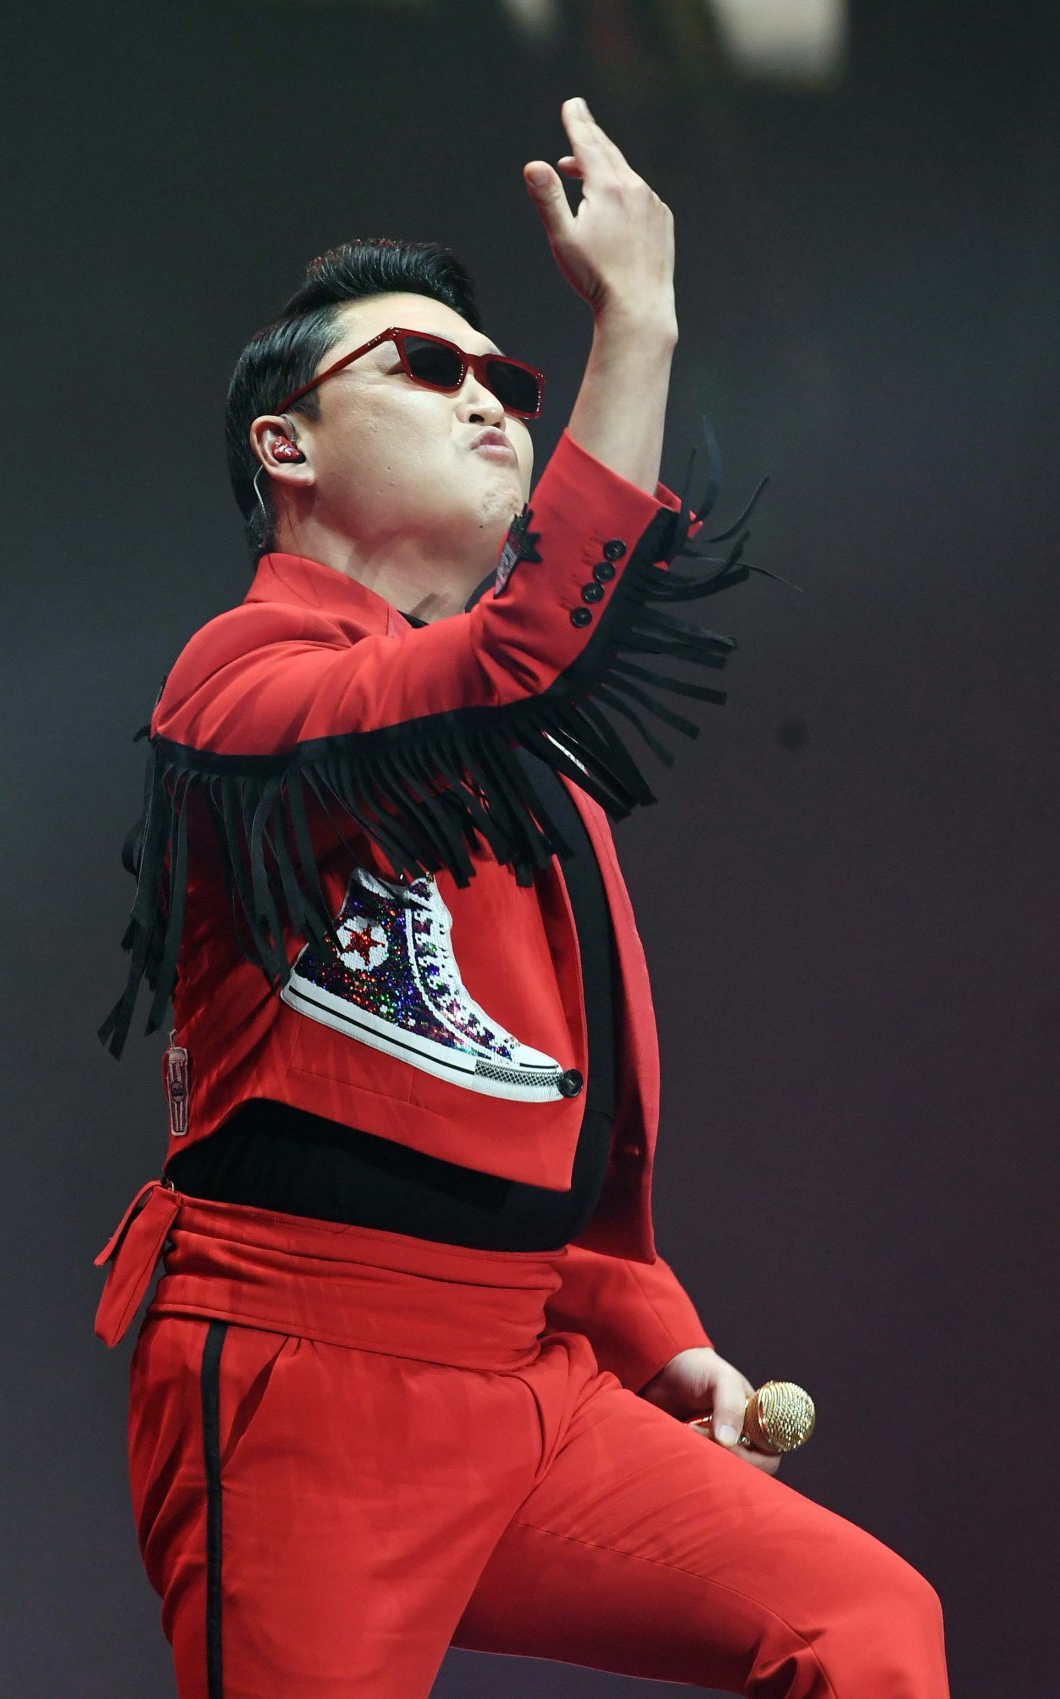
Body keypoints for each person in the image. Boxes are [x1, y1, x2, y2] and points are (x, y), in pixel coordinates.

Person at [93, 97, 950, 1699]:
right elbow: (526, 650)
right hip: (308, 1374)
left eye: (510, 378)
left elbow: (545, 1103)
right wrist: (639, 323)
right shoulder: (240, 674)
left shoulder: (517, 757)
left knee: (864, 1626)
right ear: (286, 447)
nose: (489, 396)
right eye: (428, 367)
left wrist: (651, 1333)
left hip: (523, 1374)